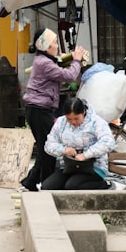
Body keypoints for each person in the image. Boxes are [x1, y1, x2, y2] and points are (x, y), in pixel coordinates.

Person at [18, 29, 87, 191]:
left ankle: (32, 182)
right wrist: (76, 60)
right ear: (46, 47)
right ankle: (45, 184)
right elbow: (69, 76)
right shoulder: (44, 63)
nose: (56, 46)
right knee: (48, 148)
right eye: (54, 43)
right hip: (38, 110)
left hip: (41, 109)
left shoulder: (47, 60)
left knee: (45, 147)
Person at [41, 98, 114, 191]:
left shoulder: (96, 122)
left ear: (83, 112)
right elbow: (49, 144)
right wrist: (64, 149)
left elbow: (108, 142)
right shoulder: (60, 122)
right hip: (68, 166)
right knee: (48, 187)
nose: (73, 122)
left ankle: (105, 184)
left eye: (76, 118)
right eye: (69, 119)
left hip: (93, 166)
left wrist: (86, 155)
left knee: (72, 186)